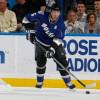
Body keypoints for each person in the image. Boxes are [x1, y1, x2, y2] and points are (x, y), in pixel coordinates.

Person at [23, 4, 75, 89]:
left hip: (54, 44)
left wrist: (51, 50)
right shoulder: (41, 15)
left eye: (57, 12)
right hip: (40, 42)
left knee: (62, 61)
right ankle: (39, 83)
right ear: (50, 11)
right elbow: (26, 19)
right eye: (54, 11)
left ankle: (69, 83)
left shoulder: (60, 24)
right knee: (40, 63)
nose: (55, 14)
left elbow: (58, 39)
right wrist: (31, 32)